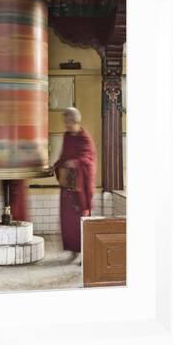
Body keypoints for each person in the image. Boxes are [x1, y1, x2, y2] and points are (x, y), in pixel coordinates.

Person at [54, 107, 96, 260]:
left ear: (76, 121)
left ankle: (86, 253)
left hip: (80, 188)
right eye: (65, 123)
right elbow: (64, 156)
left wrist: (76, 163)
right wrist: (56, 165)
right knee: (68, 220)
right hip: (67, 185)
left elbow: (88, 160)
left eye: (69, 123)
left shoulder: (84, 138)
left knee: (80, 219)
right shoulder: (67, 136)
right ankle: (73, 249)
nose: (66, 126)